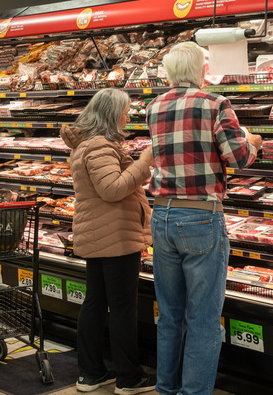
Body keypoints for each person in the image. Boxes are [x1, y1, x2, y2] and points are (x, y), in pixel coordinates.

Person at [146, 42, 263, 395]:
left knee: (169, 315)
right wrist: (253, 142)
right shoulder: (215, 104)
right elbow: (238, 158)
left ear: (169, 72)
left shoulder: (153, 106)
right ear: (201, 71)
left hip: (161, 217)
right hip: (199, 218)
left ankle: (166, 389)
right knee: (204, 318)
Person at [61, 88, 157, 394]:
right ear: (110, 114)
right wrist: (144, 163)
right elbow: (112, 189)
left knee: (96, 302)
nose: (127, 116)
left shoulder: (90, 145)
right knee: (122, 307)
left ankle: (91, 373)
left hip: (100, 233)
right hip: (114, 235)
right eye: (125, 111)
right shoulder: (100, 146)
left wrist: (135, 167)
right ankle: (129, 377)